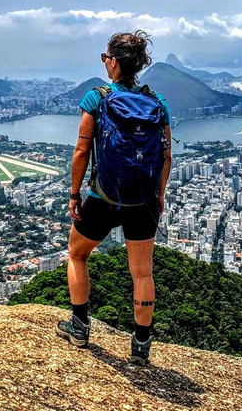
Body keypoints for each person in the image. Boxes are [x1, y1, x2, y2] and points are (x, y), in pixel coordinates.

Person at [56, 30, 172, 366]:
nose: (105, 63)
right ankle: (140, 345)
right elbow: (166, 157)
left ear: (114, 62)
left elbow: (81, 151)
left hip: (103, 196)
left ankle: (79, 327)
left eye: (106, 58)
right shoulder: (158, 103)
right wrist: (159, 196)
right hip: (144, 200)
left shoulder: (97, 97)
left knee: (77, 254)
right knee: (142, 273)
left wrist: (74, 195)